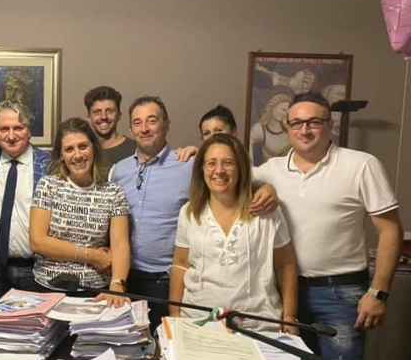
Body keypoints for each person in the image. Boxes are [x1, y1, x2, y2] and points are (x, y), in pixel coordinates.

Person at [253, 92, 403, 360]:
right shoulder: (271, 170)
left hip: (340, 294)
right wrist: (191, 153)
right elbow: (225, 175)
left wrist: (378, 293)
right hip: (285, 292)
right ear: (287, 126)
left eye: (313, 122)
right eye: (296, 123)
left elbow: (390, 230)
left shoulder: (360, 165)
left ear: (329, 124)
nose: (304, 130)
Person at [110, 95, 277, 329]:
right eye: (137, 122)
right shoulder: (118, 170)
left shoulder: (190, 164)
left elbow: (232, 182)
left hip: (167, 281)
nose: (144, 128)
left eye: (152, 120)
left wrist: (266, 188)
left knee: (166, 345)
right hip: (124, 278)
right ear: (130, 129)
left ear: (167, 125)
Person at [169, 134, 298, 332]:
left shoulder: (266, 211)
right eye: (211, 163)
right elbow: (181, 265)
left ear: (240, 168)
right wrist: (174, 313)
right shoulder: (189, 212)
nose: (219, 170)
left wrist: (289, 318)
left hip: (259, 325)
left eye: (228, 163)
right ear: (202, 169)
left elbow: (285, 266)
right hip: (198, 322)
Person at [29, 118, 130, 307]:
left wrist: (117, 284)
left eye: (83, 146)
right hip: (49, 289)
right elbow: (38, 241)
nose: (77, 155)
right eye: (69, 149)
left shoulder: (113, 192)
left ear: (94, 149)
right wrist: (92, 256)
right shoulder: (48, 186)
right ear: (61, 155)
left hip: (96, 292)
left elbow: (120, 245)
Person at [0, 100, 51, 301]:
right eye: (4, 129)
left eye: (18, 128)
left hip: (36, 268)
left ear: (29, 131)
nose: (11, 136)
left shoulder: (50, 164)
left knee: (35, 319)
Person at [83, 86, 137, 166]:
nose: (104, 117)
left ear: (119, 115)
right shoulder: (83, 153)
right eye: (97, 112)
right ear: (89, 118)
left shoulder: (135, 150)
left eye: (110, 111)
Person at [250, 90, 292, 163]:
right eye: (283, 110)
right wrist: (250, 165)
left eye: (287, 112)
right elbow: (248, 141)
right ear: (272, 107)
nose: (285, 114)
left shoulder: (291, 129)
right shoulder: (260, 129)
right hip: (268, 169)